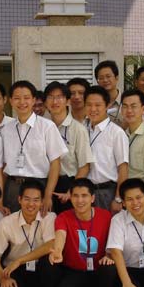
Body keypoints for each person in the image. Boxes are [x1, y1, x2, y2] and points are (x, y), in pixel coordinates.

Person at [47, 178, 115, 287]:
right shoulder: (63, 217)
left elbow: (114, 242)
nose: (80, 200)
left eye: (84, 196)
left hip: (98, 271)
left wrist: (108, 255)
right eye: (75, 196)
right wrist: (57, 251)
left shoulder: (106, 216)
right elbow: (60, 235)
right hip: (74, 272)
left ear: (92, 198)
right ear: (70, 198)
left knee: (109, 268)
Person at [0, 179, 57, 287]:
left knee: (51, 264)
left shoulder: (49, 218)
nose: (31, 204)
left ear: (42, 201)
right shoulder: (7, 222)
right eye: (27, 199)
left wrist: (20, 260)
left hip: (40, 268)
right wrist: (2, 277)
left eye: (36, 200)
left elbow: (51, 245)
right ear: (19, 199)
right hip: (16, 270)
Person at [0, 80, 67, 214]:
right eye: (17, 98)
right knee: (13, 225)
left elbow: (55, 163)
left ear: (33, 100)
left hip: (39, 186)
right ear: (11, 101)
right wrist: (0, 199)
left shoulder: (47, 126)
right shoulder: (6, 129)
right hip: (12, 187)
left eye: (26, 98)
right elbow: (3, 166)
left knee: (40, 225)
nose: (22, 102)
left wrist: (47, 195)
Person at [44, 81, 93, 213]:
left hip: (68, 185)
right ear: (45, 102)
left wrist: (71, 191)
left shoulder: (78, 129)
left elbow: (84, 165)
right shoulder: (42, 127)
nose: (55, 101)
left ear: (67, 101)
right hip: (45, 184)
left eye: (59, 97)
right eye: (50, 97)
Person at [85, 86, 129, 212]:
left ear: (107, 105)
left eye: (98, 105)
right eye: (89, 105)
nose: (93, 109)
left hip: (107, 192)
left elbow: (123, 168)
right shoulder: (83, 129)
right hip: (86, 192)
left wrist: (118, 198)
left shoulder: (116, 133)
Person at [95, 60, 123, 125]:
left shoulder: (126, 100)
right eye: (101, 78)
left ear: (116, 78)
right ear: (97, 81)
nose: (105, 80)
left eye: (108, 76)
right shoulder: (94, 103)